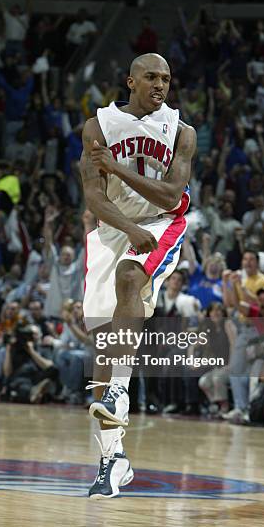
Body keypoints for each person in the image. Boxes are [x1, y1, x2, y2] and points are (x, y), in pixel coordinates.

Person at [80, 52, 196, 498]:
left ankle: (122, 393)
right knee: (102, 350)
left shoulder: (182, 132)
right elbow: (94, 195)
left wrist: (117, 168)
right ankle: (113, 461)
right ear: (130, 80)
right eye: (151, 77)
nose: (160, 84)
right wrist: (126, 227)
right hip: (114, 227)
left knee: (130, 277)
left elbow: (170, 196)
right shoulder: (99, 126)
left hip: (160, 224)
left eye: (166, 78)